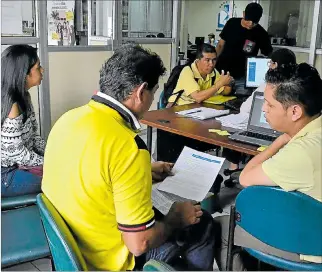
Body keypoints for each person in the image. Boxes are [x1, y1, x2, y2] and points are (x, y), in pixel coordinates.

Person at [41, 44, 216, 271]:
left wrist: (144, 170)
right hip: (108, 261)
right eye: (153, 92)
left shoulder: (68, 119)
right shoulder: (128, 146)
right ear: (141, 92)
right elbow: (139, 244)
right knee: (203, 224)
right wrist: (175, 220)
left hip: (75, 246)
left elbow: (91, 168)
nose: (153, 99)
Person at [214, 63, 322, 270]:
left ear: (295, 111)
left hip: (312, 249)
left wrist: (280, 140)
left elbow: (245, 178)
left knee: (220, 227)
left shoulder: (301, 152)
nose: (264, 109)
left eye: (270, 105)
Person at [221, 48, 297, 177]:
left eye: (270, 63)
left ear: (275, 65)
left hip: (272, 134)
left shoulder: (269, 85)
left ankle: (236, 168)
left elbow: (245, 109)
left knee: (236, 134)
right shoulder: (297, 86)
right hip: (290, 137)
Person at [1, 45, 45, 197]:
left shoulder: (24, 96)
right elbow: (16, 153)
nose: (42, 70)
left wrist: (52, 153)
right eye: (38, 67)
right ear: (24, 74)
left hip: (18, 165)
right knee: (58, 180)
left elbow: (33, 137)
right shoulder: (11, 105)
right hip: (5, 174)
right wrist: (46, 162)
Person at [215, 2, 273, 80]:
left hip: (243, 76)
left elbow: (268, 54)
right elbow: (220, 45)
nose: (250, 24)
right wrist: (213, 62)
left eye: (254, 22)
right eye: (248, 20)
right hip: (222, 71)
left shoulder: (261, 33)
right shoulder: (232, 23)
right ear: (243, 14)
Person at [168, 43, 233, 106]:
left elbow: (224, 92)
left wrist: (228, 83)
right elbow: (198, 97)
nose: (211, 64)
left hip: (198, 107)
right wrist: (219, 84)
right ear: (198, 60)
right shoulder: (188, 71)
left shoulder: (214, 72)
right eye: (207, 60)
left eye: (214, 60)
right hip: (178, 106)